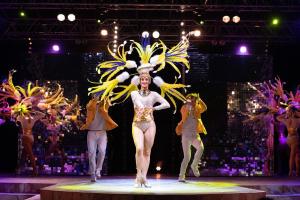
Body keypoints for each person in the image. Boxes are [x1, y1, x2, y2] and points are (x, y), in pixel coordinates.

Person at [130, 71, 170, 187]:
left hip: (150, 124)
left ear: (149, 81)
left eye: (146, 79)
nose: (144, 81)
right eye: (142, 79)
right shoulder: (134, 93)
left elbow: (166, 104)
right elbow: (137, 102)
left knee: (147, 152)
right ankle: (138, 176)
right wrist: (142, 107)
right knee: (139, 149)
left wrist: (154, 108)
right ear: (139, 81)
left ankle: (144, 177)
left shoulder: (154, 94)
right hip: (137, 124)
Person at [81, 95, 118, 182]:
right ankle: (93, 173)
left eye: (98, 94)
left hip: (102, 132)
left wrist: (106, 95)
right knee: (91, 153)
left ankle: (98, 170)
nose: (97, 96)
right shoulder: (90, 105)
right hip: (91, 133)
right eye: (95, 95)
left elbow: (108, 103)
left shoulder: (104, 105)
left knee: (102, 151)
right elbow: (90, 106)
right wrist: (95, 99)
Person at [175, 93, 207, 182]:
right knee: (187, 157)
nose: (192, 100)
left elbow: (205, 107)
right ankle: (181, 176)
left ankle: (194, 165)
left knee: (201, 148)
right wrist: (188, 102)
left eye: (193, 99)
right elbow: (185, 106)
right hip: (185, 135)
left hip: (194, 135)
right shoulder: (184, 108)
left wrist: (199, 100)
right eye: (190, 99)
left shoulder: (197, 109)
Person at [276, 105, 300, 176]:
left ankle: (298, 172)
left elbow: (278, 117)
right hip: (294, 139)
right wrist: (296, 113)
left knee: (296, 155)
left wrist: (286, 114)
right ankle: (290, 172)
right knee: (293, 155)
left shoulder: (286, 120)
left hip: (288, 139)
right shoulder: (298, 120)